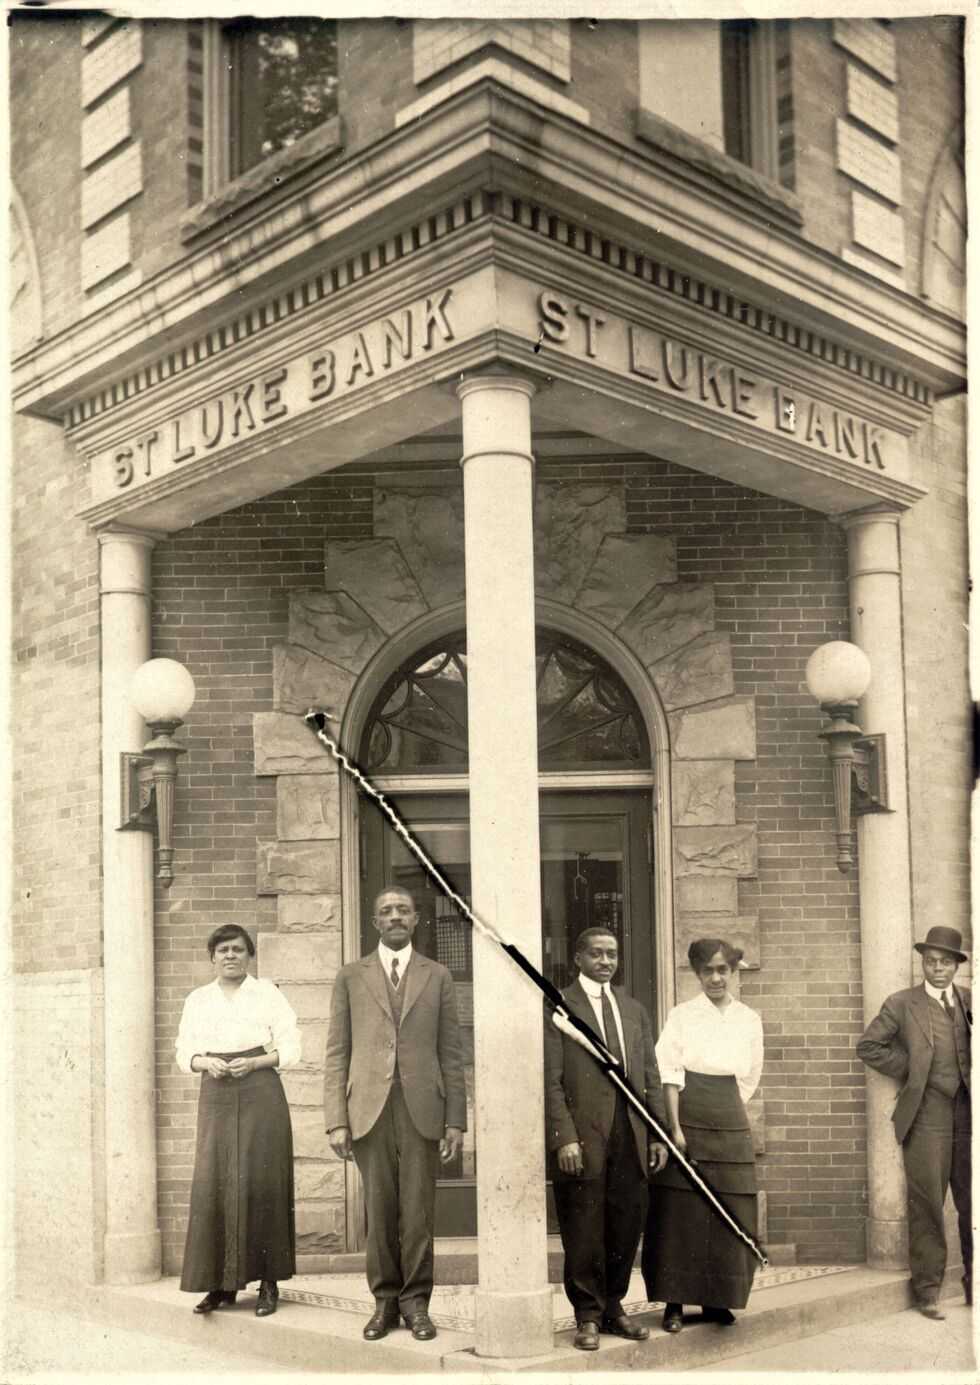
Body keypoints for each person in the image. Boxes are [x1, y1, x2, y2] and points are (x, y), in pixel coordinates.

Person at [323, 885, 466, 1342]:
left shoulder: (438, 975)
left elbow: (451, 1052)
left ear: (417, 919)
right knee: (380, 1209)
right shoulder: (351, 976)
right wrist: (336, 1119)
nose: (396, 916)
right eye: (386, 910)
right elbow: (336, 1051)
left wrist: (455, 1121)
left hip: (423, 1107)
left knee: (418, 1212)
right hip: (368, 1108)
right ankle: (384, 1303)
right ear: (375, 922)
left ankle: (417, 1304)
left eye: (403, 909)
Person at [544, 925, 668, 1351]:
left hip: (629, 1134)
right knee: (583, 1226)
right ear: (578, 958)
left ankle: (614, 1306)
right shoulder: (559, 1005)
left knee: (625, 1222)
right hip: (583, 1138)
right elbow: (550, 1080)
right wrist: (565, 1137)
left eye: (611, 954)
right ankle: (587, 1315)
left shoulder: (633, 1010)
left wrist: (656, 1134)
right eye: (596, 954)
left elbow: (650, 1075)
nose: (605, 962)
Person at [175, 923, 301, 1317]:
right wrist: (203, 1061)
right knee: (216, 1180)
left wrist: (257, 1062)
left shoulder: (267, 994)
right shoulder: (198, 999)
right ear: (212, 957)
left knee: (262, 1180)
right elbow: (183, 1051)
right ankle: (220, 1285)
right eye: (223, 950)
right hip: (216, 1091)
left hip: (260, 1087)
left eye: (239, 950)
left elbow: (292, 1046)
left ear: (249, 956)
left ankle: (268, 1283)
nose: (231, 956)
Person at [643, 937, 763, 1334]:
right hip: (689, 1111)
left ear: (732, 972)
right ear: (696, 974)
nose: (716, 977)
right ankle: (674, 1303)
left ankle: (718, 1299)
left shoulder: (748, 1018)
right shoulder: (682, 1015)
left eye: (722, 970)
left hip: (729, 1113)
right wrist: (675, 1128)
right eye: (707, 970)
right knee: (683, 1211)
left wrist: (729, 1108)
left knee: (730, 1205)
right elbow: (669, 1074)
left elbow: (749, 1077)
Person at [856, 925, 972, 1320]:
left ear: (957, 966)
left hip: (968, 1115)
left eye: (945, 962)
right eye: (930, 961)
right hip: (926, 1117)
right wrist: (913, 1070)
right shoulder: (903, 1004)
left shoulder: (969, 1002)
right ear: (922, 963)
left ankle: (974, 1285)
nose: (937, 969)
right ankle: (927, 1293)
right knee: (927, 1206)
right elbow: (868, 1046)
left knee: (972, 1203)